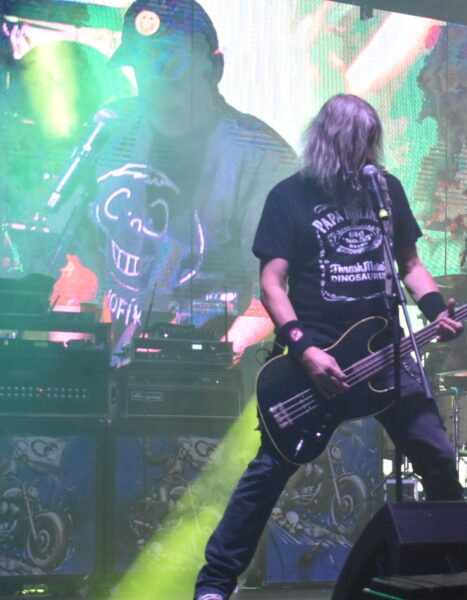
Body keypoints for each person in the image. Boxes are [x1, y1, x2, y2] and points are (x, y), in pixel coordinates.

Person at [191, 93, 465, 600]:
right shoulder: (289, 196)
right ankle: (214, 585)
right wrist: (305, 349)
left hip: (385, 355)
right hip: (313, 360)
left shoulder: (385, 191)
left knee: (437, 459)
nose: (363, 152)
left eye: (369, 142)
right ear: (328, 140)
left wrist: (435, 310)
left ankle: (458, 576)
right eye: (353, 141)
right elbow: (272, 283)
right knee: (269, 472)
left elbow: (409, 264)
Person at [45, 0, 296, 359]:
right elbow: (79, 261)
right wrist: (69, 350)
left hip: (206, 373)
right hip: (112, 366)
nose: (156, 86)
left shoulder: (261, 157)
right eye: (143, 67)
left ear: (214, 68)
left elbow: (275, 292)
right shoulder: (113, 129)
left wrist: (207, 359)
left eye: (172, 67)